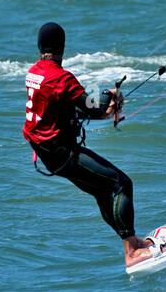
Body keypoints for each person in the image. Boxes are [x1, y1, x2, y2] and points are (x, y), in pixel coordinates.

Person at [22, 22, 155, 268]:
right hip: (62, 152)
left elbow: (68, 105)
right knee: (121, 184)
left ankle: (132, 241)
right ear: (63, 46)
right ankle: (131, 253)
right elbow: (91, 103)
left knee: (102, 190)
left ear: (40, 46)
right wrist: (110, 96)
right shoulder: (60, 78)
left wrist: (102, 109)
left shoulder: (35, 72)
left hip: (47, 153)